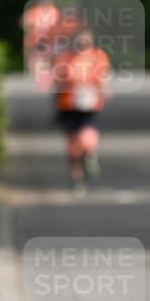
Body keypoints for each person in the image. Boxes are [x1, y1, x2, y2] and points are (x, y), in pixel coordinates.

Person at [53, 28, 110, 194]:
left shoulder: (98, 56)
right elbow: (58, 81)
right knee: (72, 145)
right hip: (68, 105)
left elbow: (103, 77)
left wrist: (102, 89)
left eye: (86, 40)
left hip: (89, 105)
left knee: (86, 138)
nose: (83, 44)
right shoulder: (64, 58)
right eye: (80, 40)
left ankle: (90, 154)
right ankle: (76, 179)